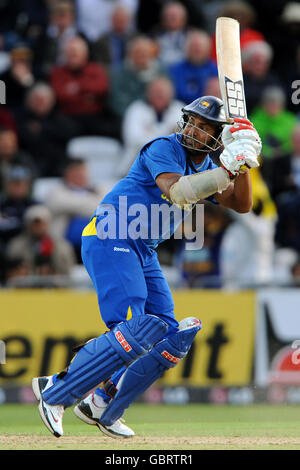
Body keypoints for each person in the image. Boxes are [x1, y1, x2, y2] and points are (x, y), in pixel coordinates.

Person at [31, 95, 261, 438]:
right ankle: (56, 391)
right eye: (192, 122)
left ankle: (102, 404)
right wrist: (226, 169)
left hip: (143, 249)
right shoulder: (163, 148)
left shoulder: (204, 166)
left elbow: (242, 205)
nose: (194, 130)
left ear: (217, 136)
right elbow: (179, 192)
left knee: (169, 336)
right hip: (111, 234)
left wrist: (243, 165)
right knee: (136, 326)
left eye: (204, 127)